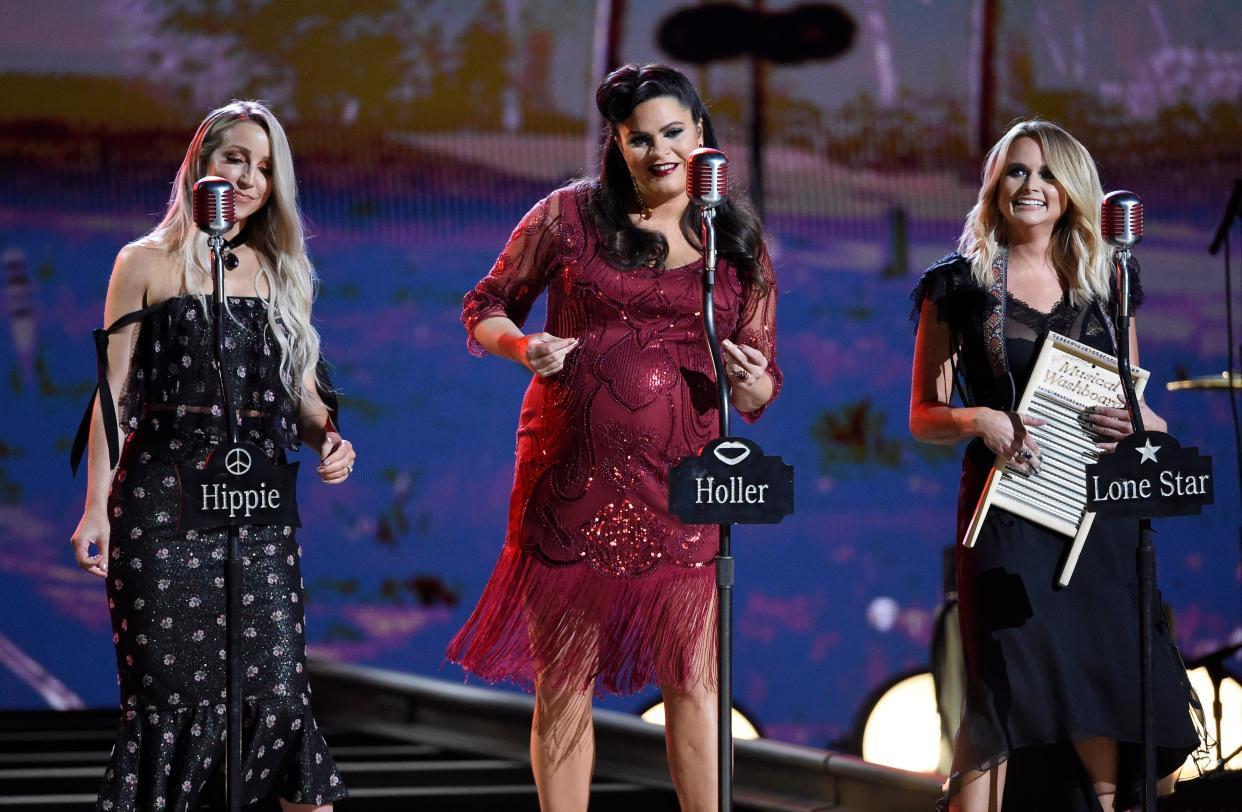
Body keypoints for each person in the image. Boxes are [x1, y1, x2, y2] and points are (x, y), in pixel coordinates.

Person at [447, 63, 780, 811]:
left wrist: (751, 378)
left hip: (687, 489)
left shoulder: (739, 243)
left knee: (697, 686)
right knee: (565, 685)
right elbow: (486, 304)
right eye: (640, 138)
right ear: (618, 145)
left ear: (702, 135)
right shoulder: (567, 217)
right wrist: (523, 347)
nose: (660, 150)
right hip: (570, 484)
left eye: (673, 132)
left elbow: (760, 392)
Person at [68, 100, 355, 811]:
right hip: (162, 509)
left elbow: (300, 392)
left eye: (265, 167)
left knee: (279, 698)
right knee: (174, 705)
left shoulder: (278, 270)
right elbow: (112, 391)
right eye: (237, 159)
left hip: (254, 516)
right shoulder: (143, 262)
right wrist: (94, 508)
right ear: (202, 166)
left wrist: (328, 436)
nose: (251, 178)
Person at [909, 118, 1202, 811]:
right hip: (1007, 517)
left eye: (1046, 174)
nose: (1031, 186)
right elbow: (924, 413)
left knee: (1101, 699)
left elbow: (1140, 403)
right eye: (1016, 171)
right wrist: (980, 419)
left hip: (1098, 522)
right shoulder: (958, 286)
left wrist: (1144, 424)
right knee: (1000, 700)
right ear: (995, 185)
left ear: (1073, 189)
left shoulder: (1109, 282)